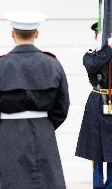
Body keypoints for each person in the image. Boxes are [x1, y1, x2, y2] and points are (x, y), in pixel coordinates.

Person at [0, 12, 70, 189]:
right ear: (37, 34)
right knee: (45, 181)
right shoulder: (52, 64)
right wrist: (45, 124)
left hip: (8, 132)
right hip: (43, 130)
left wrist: (5, 126)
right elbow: (62, 105)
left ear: (12, 34)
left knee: (8, 181)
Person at [75, 22, 112, 189]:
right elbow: (93, 65)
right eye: (99, 34)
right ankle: (98, 186)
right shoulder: (91, 55)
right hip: (97, 102)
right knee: (95, 151)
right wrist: (109, 49)